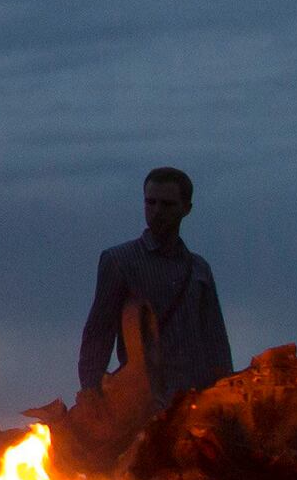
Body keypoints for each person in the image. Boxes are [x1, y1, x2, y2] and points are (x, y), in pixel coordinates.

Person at [76, 167, 234, 435]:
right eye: (151, 202)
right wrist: (91, 392)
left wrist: (225, 399)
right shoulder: (120, 261)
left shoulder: (199, 270)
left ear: (186, 208)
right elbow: (99, 331)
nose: (157, 210)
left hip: (196, 406)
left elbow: (215, 340)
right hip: (145, 406)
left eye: (167, 204)